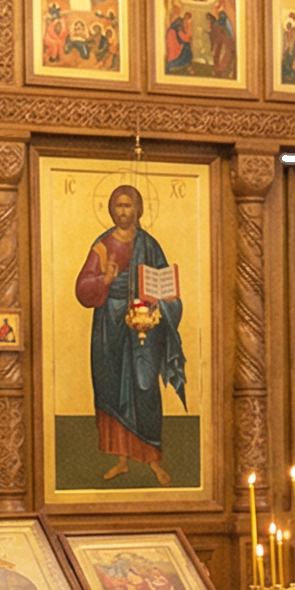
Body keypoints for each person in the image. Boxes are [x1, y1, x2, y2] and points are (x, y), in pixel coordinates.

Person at [72, 183, 186, 486]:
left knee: (145, 387)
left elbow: (163, 281)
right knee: (111, 388)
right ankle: (121, 459)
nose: (123, 212)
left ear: (138, 210)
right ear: (112, 209)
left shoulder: (149, 245)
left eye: (128, 206)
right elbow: (83, 289)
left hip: (144, 325)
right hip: (109, 325)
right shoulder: (102, 245)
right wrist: (105, 279)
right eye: (119, 206)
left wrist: (167, 299)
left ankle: (153, 461)